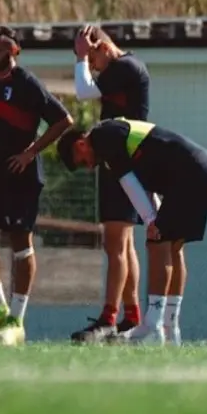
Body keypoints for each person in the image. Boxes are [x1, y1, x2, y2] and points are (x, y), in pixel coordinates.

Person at [57, 119, 207, 345]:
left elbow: (129, 183)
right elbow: (143, 183)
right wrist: (154, 218)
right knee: (173, 247)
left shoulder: (103, 136)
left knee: (157, 244)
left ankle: (153, 326)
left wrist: (152, 220)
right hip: (206, 168)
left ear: (81, 144)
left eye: (82, 160)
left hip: (190, 173)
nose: (89, 166)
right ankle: (170, 327)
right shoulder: (113, 137)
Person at [0, 26, 73, 345]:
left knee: (20, 244)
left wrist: (30, 152)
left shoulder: (27, 84)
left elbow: (64, 120)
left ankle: (17, 320)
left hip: (21, 173)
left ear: (14, 51)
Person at [71, 26, 153, 343]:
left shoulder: (125, 66)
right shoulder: (121, 69)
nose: (92, 67)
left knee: (115, 243)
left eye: (93, 59)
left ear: (103, 47)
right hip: (121, 163)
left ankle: (109, 317)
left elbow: (83, 91)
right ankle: (131, 317)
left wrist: (80, 58)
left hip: (125, 162)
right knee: (124, 244)